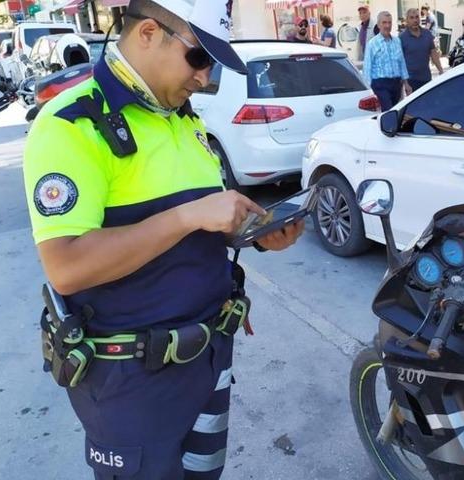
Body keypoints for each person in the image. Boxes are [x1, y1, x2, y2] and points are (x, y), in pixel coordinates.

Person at [22, 0, 304, 477]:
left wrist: (254, 235)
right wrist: (188, 215)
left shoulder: (184, 120)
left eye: (214, 64)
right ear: (148, 33)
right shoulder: (72, 124)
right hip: (132, 382)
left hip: (212, 355)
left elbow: (203, 224)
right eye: (199, 58)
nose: (206, 78)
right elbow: (66, 267)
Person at [363, 11, 410, 111]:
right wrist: (368, 90)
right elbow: (367, 67)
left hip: (396, 84)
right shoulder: (372, 43)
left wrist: (406, 83)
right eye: (384, 23)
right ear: (379, 25)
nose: (387, 25)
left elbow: (401, 62)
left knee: (396, 111)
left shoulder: (397, 41)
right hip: (381, 84)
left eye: (389, 22)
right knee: (388, 112)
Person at [400, 8, 444, 92]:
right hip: (411, 81)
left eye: (417, 17)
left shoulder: (427, 34)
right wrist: (405, 83)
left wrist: (441, 70)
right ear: (407, 20)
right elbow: (400, 62)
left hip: (426, 79)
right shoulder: (402, 38)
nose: (415, 20)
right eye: (411, 18)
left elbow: (433, 54)